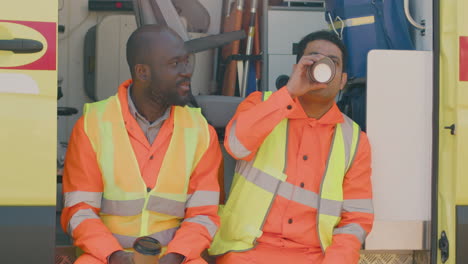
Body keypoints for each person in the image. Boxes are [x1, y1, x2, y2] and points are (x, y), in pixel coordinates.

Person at [209, 30, 374, 264]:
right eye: (314, 60)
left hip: (314, 258)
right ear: (298, 68)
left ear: (343, 81)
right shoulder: (260, 103)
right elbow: (236, 146)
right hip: (247, 253)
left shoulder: (355, 140)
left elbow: (356, 218)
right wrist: (289, 92)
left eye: (332, 64)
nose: (322, 69)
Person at [61, 25, 221, 264]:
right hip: (106, 256)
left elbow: (204, 215)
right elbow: (80, 211)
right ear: (142, 72)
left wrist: (177, 256)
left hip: (175, 256)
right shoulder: (92, 125)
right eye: (174, 64)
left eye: (186, 62)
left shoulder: (201, 131)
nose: (187, 72)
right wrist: (114, 255)